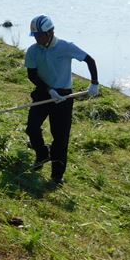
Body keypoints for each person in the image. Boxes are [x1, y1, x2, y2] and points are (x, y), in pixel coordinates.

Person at [24, 14, 99, 185]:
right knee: (32, 128)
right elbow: (32, 74)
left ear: (50, 32)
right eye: (35, 36)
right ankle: (42, 154)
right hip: (43, 93)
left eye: (40, 35)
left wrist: (94, 83)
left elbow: (90, 60)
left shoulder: (65, 47)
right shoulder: (33, 50)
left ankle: (57, 175)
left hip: (64, 97)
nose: (37, 39)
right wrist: (49, 90)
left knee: (60, 137)